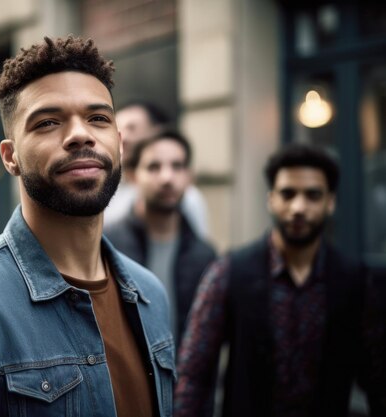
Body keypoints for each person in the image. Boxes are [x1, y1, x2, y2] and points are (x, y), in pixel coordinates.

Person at [0, 36, 175, 417]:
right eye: (48, 122)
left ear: (119, 144)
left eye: (98, 118)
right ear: (10, 157)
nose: (80, 134)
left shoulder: (150, 295)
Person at [174, 144, 386, 417]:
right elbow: (194, 374)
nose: (299, 207)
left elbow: (378, 378)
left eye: (312, 195)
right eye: (288, 194)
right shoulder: (230, 271)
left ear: (330, 202)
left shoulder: (354, 280)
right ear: (271, 199)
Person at [105, 131, 216, 345]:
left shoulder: (204, 255)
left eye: (177, 166)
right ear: (133, 176)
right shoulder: (107, 243)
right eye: (154, 167)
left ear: (189, 176)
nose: (167, 178)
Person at [104, 101, 210, 238]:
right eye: (118, 129)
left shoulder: (187, 198)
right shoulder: (107, 188)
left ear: (157, 131)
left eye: (132, 128)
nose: (123, 138)